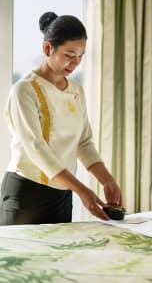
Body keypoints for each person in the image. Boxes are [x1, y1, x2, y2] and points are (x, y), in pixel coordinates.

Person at [0, 11, 122, 225]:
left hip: (62, 193)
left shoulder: (76, 91)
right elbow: (36, 147)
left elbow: (83, 143)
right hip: (27, 192)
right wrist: (83, 190)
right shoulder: (24, 90)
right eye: (69, 54)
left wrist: (107, 180)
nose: (76, 63)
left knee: (58, 257)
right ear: (48, 48)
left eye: (81, 56)